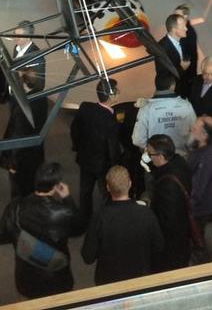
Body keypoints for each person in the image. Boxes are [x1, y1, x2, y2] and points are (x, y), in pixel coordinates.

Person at [0, 162, 84, 299]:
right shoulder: (63, 212)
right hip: (57, 275)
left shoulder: (16, 206)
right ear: (56, 186)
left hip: (26, 274)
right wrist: (67, 198)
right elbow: (79, 229)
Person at [81, 165, 164, 285]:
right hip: (140, 279)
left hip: (108, 280)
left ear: (108, 187)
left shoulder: (100, 217)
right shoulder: (145, 213)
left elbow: (88, 257)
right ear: (130, 184)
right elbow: (159, 246)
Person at [70, 78, 121, 225]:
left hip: (85, 158)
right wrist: (116, 166)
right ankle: (106, 222)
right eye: (117, 90)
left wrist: (77, 147)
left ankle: (84, 218)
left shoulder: (85, 107)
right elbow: (113, 149)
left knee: (85, 191)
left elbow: (75, 129)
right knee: (106, 194)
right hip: (102, 165)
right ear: (111, 96)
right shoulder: (111, 121)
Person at [143, 134, 193, 272]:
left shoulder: (168, 185)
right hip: (182, 237)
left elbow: (168, 222)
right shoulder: (179, 163)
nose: (148, 156)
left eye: (149, 153)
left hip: (171, 246)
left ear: (160, 156)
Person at [0, 69, 46, 199]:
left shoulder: (24, 109)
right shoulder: (41, 97)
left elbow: (18, 138)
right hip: (35, 153)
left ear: (24, 83)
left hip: (23, 160)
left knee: (19, 192)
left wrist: (13, 164)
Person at [132, 73, 196, 155]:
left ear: (156, 85)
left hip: (158, 159)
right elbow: (195, 132)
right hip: (182, 156)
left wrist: (153, 150)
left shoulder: (146, 108)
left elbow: (137, 140)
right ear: (173, 85)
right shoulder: (186, 105)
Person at [186, 116, 212, 239]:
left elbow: (199, 185)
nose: (191, 129)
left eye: (195, 129)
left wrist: (189, 206)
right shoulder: (205, 147)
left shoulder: (207, 157)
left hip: (200, 207)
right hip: (202, 203)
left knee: (197, 235)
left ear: (204, 135)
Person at [154, 13, 189, 86]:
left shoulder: (183, 39)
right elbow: (163, 76)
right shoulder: (162, 49)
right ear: (174, 30)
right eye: (183, 26)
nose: (186, 28)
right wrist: (182, 68)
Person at [173, 3, 199, 98]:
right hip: (187, 70)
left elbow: (187, 55)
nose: (175, 17)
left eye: (178, 15)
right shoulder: (184, 29)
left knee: (183, 92)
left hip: (187, 72)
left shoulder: (189, 34)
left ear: (186, 16)